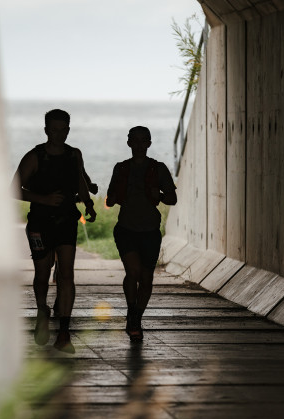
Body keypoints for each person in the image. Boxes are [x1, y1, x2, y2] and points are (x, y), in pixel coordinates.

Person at [11, 109, 96, 353]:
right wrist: (44, 199)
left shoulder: (74, 154)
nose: (59, 134)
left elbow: (80, 181)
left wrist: (88, 203)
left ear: (69, 129)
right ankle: (41, 310)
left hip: (67, 220)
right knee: (42, 273)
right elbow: (14, 189)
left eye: (64, 130)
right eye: (54, 129)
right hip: (39, 223)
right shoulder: (34, 157)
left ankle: (64, 333)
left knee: (67, 273)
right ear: (46, 129)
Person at [106, 126, 177, 341]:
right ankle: (132, 314)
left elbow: (172, 199)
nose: (138, 145)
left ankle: (135, 316)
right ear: (128, 143)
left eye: (143, 140)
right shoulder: (120, 168)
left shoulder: (159, 169)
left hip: (150, 231)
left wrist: (159, 194)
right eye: (134, 140)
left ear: (149, 143)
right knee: (133, 271)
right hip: (126, 229)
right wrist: (114, 196)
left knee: (146, 280)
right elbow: (109, 200)